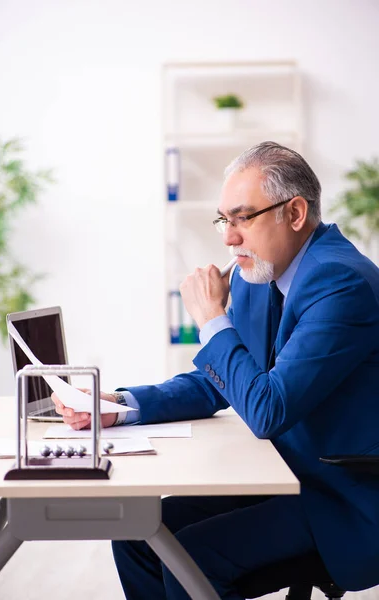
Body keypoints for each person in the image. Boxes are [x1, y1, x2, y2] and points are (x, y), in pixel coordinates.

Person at [52, 141, 379, 600]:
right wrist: (123, 407)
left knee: (191, 554)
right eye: (224, 219)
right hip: (282, 475)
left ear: (296, 212)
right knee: (137, 534)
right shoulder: (261, 271)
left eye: (243, 217)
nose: (228, 237)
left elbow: (267, 410)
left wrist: (211, 319)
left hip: (339, 496)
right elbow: (219, 380)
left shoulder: (340, 283)